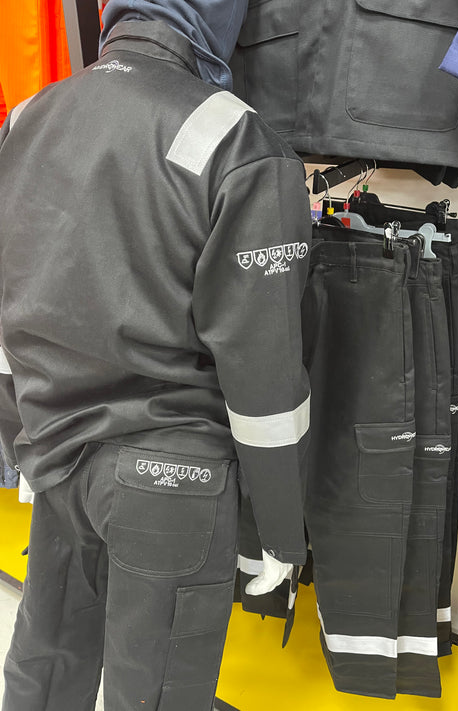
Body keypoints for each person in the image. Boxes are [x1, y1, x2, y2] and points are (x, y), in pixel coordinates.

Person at [0, 2, 312, 709]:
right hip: (171, 477)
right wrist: (280, 531)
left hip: (55, 454)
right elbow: (264, 372)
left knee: (45, 669)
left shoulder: (29, 116)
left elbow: (9, 297)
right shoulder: (237, 138)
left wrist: (20, 436)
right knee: (156, 694)